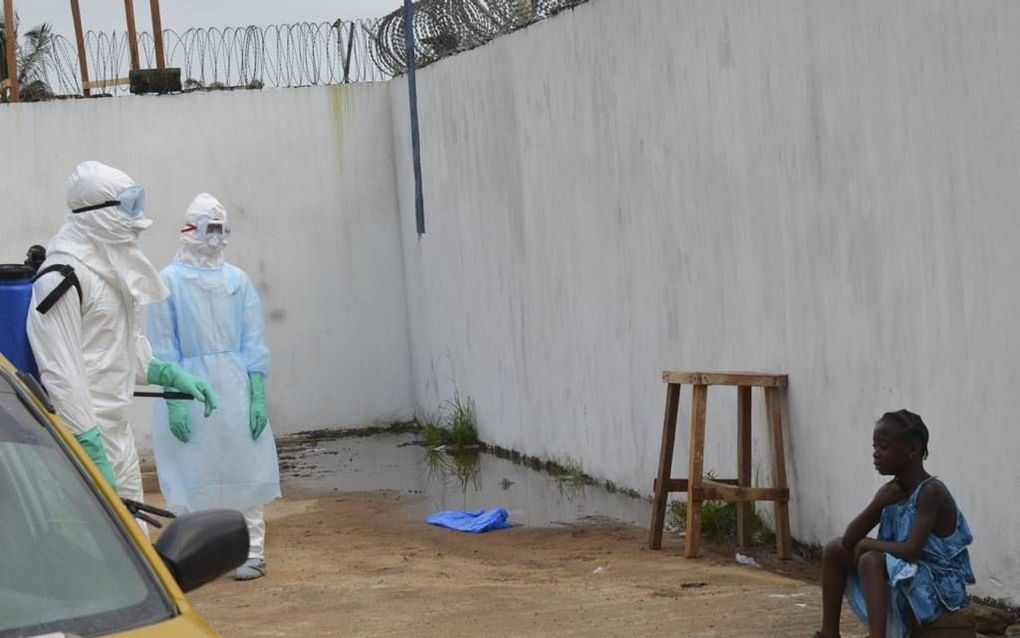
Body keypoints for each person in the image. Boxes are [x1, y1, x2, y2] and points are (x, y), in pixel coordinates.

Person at [27, 161, 219, 508]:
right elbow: (60, 372)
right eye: (128, 209)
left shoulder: (109, 274)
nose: (136, 223)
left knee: (134, 547)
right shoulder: (61, 278)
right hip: (79, 442)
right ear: (97, 215)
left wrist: (165, 373)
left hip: (117, 436)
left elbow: (122, 345)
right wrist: (88, 449)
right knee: (90, 549)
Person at [148, 192, 280, 581]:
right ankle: (190, 554)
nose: (217, 237)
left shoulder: (237, 281)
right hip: (186, 383)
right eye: (211, 228)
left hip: (236, 383)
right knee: (190, 468)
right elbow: (161, 344)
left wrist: (257, 393)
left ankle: (252, 550)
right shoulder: (167, 281)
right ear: (190, 230)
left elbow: (254, 340)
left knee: (246, 464)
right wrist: (173, 399)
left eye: (223, 229)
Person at [814, 410, 975, 638]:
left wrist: (870, 544)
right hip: (903, 574)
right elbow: (850, 540)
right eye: (874, 447)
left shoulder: (930, 492)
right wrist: (877, 503)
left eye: (883, 446)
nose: (876, 454)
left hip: (938, 587)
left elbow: (911, 550)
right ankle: (829, 634)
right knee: (835, 549)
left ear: (912, 449)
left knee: (871, 559)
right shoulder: (892, 492)